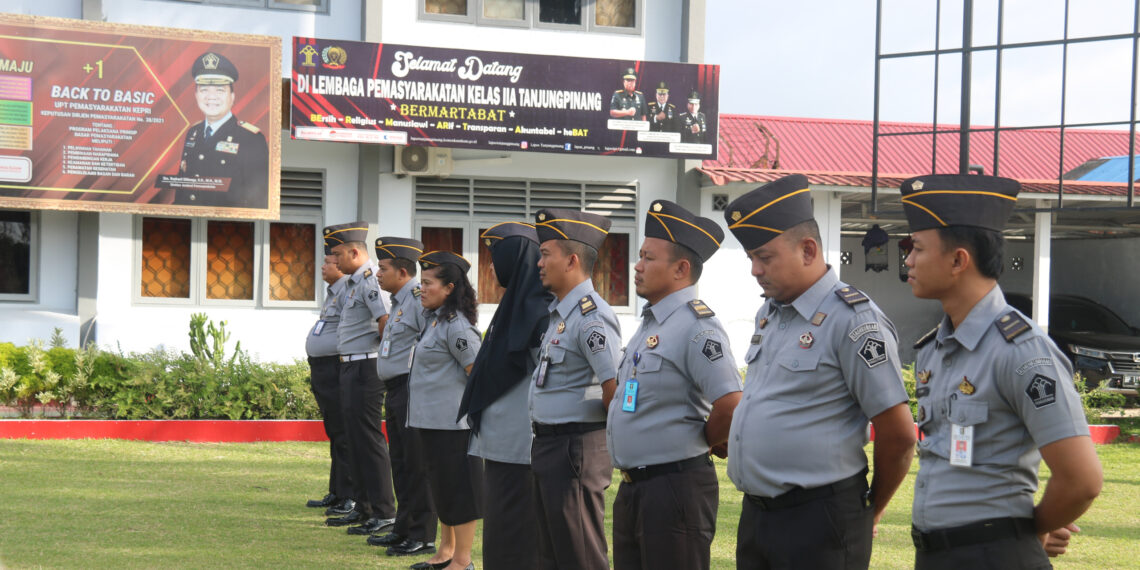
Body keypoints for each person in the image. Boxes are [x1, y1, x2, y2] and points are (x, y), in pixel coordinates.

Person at [901, 174, 1103, 569]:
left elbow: (1082, 480)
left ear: (959, 260)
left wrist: (1030, 529)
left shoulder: (1022, 352)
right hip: (936, 555)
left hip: (995, 556)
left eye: (917, 248)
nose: (907, 260)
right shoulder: (935, 349)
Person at [723, 174, 917, 569]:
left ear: (808, 250)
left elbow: (899, 435)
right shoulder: (771, 313)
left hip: (820, 520)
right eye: (751, 259)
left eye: (765, 257)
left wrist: (869, 512)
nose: (755, 271)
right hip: (758, 517)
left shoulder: (855, 321)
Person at [608, 200, 742, 570]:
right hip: (636, 487)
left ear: (681, 269)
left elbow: (730, 402)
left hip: (674, 488)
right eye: (639, 256)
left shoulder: (697, 326)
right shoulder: (652, 324)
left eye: (649, 258)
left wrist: (707, 439)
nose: (637, 266)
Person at [530, 208, 621, 570]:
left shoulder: (590, 317)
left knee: (580, 555)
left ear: (570, 260)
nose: (539, 263)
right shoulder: (561, 316)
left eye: (545, 254)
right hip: (552, 445)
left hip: (576, 449)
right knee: (552, 554)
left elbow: (614, 387)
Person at [459, 222, 551, 569]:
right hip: (500, 447)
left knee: (515, 539)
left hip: (520, 449)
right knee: (500, 538)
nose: (492, 269)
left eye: (496, 259)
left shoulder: (538, 313)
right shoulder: (515, 306)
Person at [406, 250, 485, 570]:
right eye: (420, 282)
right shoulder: (435, 321)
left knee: (459, 492)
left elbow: (476, 373)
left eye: (428, 283)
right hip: (432, 423)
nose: (421, 288)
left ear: (449, 288)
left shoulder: (457, 327)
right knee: (442, 488)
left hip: (454, 427)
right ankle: (446, 551)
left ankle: (463, 561)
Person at [322, 222, 397, 537]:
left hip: (366, 367)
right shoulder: (353, 282)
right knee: (354, 440)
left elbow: (385, 322)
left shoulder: (369, 282)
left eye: (338, 254)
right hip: (349, 366)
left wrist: (382, 357)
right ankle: (363, 507)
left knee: (368, 440)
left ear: (355, 251)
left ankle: (383, 511)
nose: (334, 261)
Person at [369, 237, 439, 556]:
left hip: (412, 388)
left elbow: (432, 340)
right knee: (400, 462)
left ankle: (422, 534)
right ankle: (403, 527)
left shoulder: (416, 298)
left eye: (383, 268)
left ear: (401, 270)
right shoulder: (399, 301)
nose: (377, 273)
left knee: (417, 464)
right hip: (396, 390)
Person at [174, 51, 268, 208]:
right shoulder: (193, 133)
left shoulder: (250, 138)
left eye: (220, 90)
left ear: (232, 96)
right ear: (196, 95)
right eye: (204, 90)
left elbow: (257, 198)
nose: (211, 97)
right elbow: (182, 188)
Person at [304, 246, 354, 514]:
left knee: (344, 433)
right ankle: (336, 491)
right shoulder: (333, 292)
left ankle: (349, 494)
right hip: (322, 368)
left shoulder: (349, 290)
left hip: (336, 367)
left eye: (329, 262)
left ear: (341, 265)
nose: (323, 267)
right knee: (334, 432)